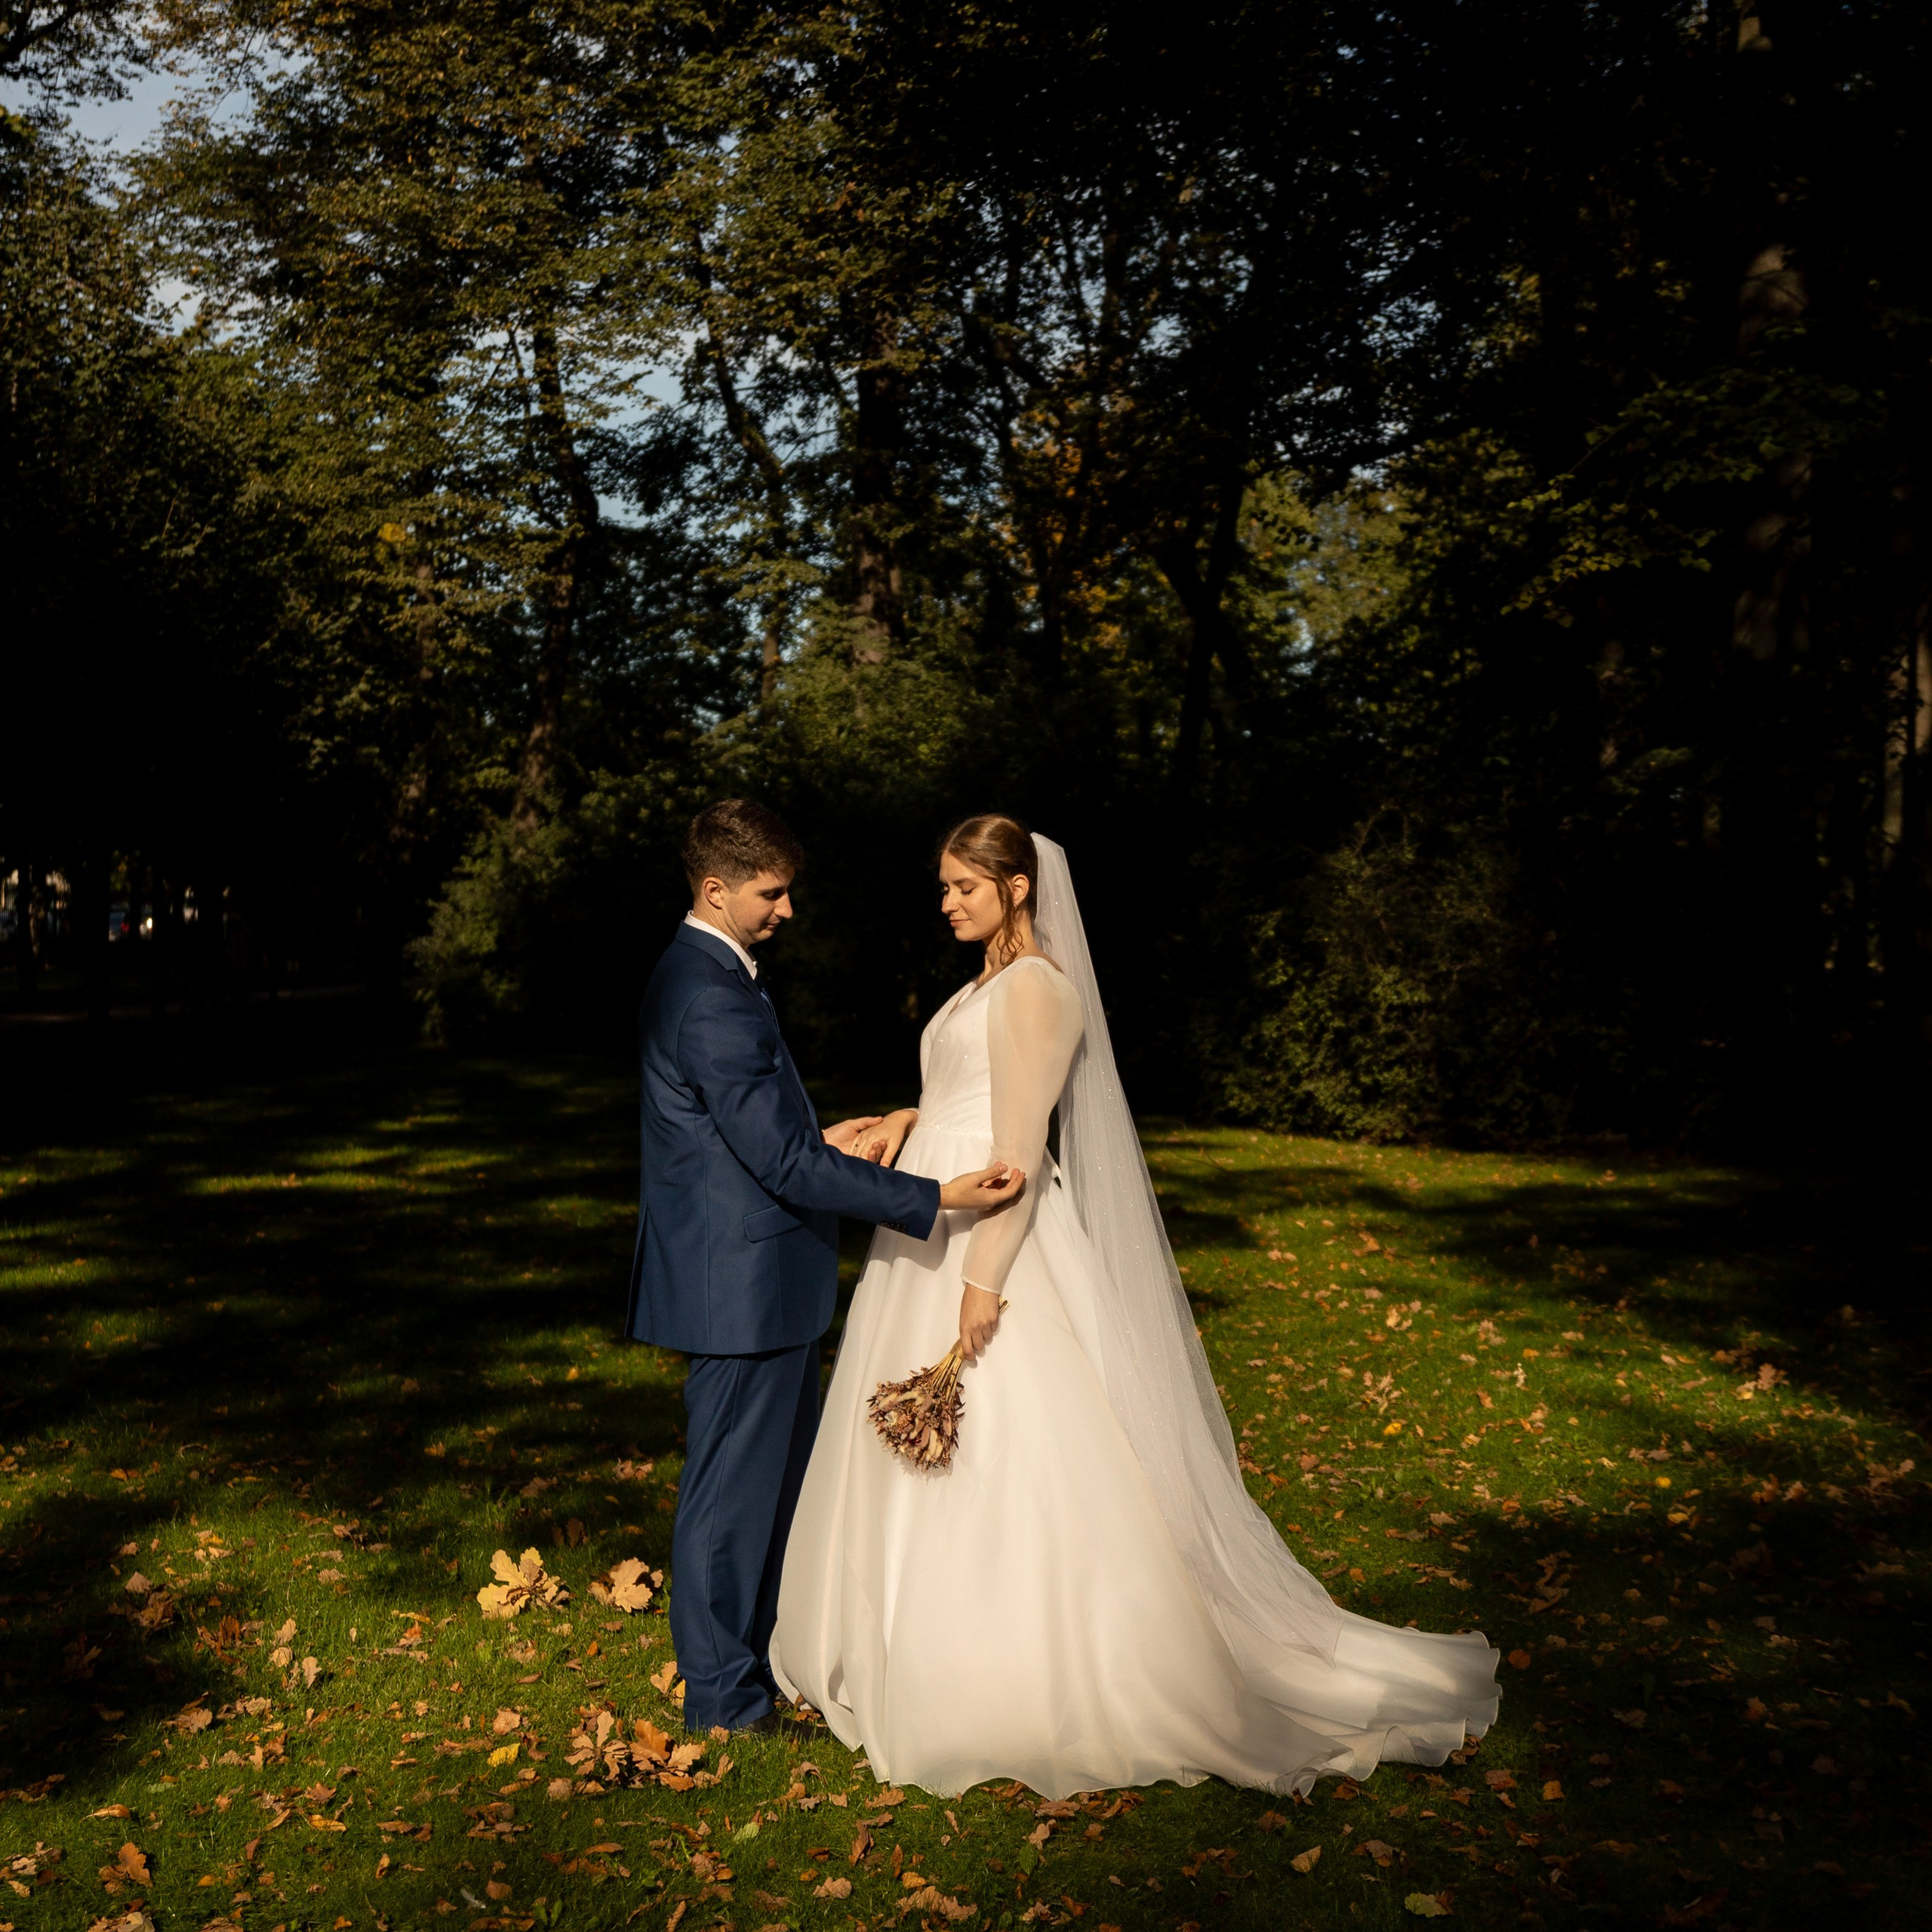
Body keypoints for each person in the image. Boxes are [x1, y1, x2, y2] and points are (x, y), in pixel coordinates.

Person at [771, 814, 1501, 1796]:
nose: (945, 902)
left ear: (1017, 888)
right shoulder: (982, 985)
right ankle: (890, 1636)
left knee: (1009, 1443)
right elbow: (966, 1097)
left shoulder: (1037, 989)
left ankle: (1007, 1660)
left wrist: (984, 1283)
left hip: (987, 1239)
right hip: (925, 1229)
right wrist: (908, 1117)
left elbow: (1018, 1150)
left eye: (963, 886)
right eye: (942, 886)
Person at [626, 798, 1023, 1735]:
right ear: (715, 889)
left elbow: (751, 1137)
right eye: (771, 893)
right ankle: (722, 1701)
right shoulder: (709, 992)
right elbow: (779, 1163)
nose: (787, 909)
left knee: (764, 1491)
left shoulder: (709, 974)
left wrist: (818, 1137)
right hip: (739, 1289)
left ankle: (759, 1666)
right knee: (730, 1500)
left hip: (753, 1277)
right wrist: (936, 1196)